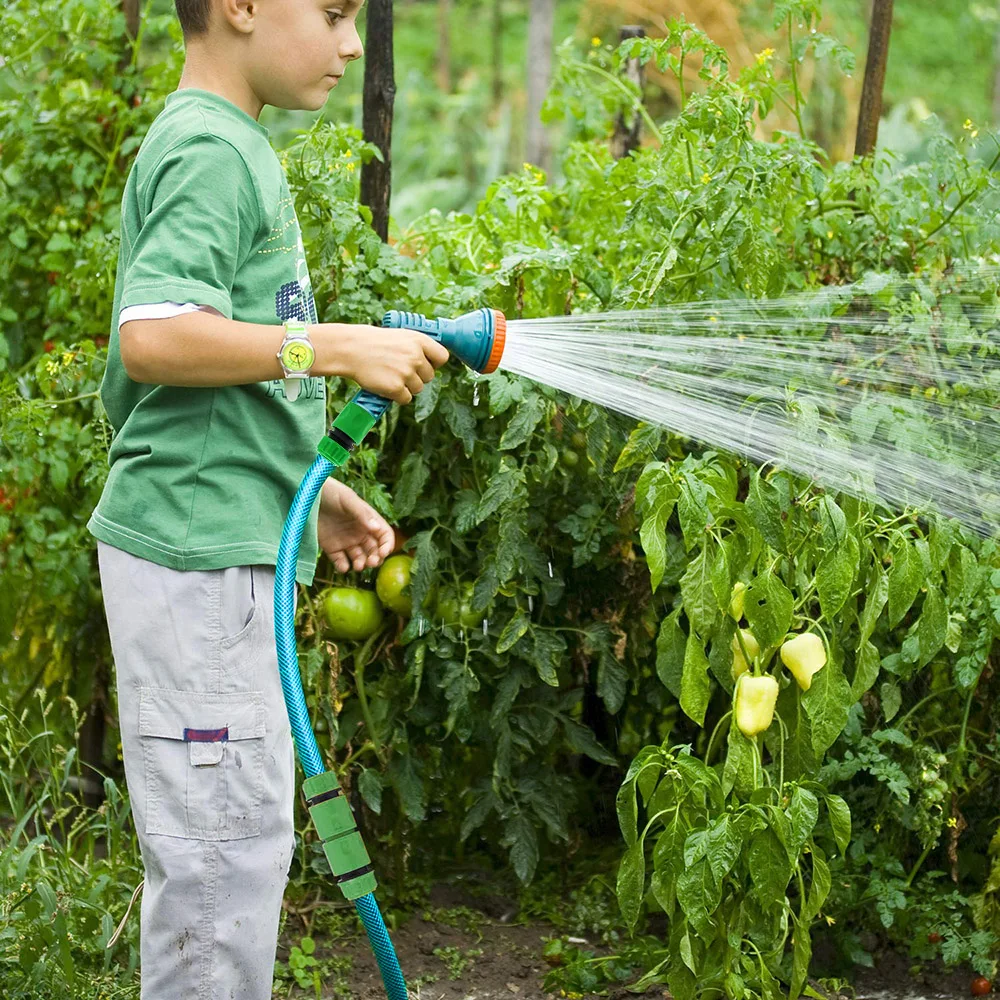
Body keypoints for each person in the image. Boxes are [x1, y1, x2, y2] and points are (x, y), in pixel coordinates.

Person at [88, 1, 448, 996]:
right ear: (240, 6)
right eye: (330, 11)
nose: (349, 42)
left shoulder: (228, 145)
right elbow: (155, 336)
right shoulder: (210, 150)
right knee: (218, 868)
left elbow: (205, 384)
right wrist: (334, 342)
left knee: (236, 847)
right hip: (195, 560)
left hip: (215, 540)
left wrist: (304, 484)